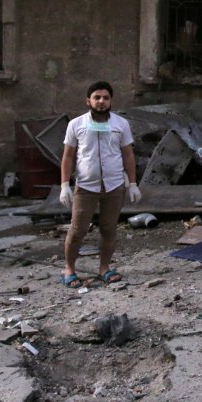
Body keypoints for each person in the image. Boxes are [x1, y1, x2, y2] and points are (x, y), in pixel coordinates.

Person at [59, 81, 141, 288]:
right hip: (86, 187)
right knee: (78, 230)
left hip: (114, 186)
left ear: (111, 101)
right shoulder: (75, 124)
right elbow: (68, 157)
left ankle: (104, 268)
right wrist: (64, 185)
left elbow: (128, 154)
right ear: (88, 101)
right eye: (97, 97)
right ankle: (69, 269)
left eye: (105, 97)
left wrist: (132, 183)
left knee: (109, 229)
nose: (101, 101)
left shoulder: (121, 124)